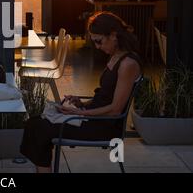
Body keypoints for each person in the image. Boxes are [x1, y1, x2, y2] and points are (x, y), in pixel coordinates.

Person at [20, 12, 142, 173]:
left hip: (104, 127)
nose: (97, 47)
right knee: (34, 122)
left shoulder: (128, 64)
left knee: (40, 128)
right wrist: (80, 103)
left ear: (113, 35)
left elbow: (115, 109)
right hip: (93, 118)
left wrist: (80, 113)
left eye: (99, 41)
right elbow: (105, 97)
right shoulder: (115, 57)